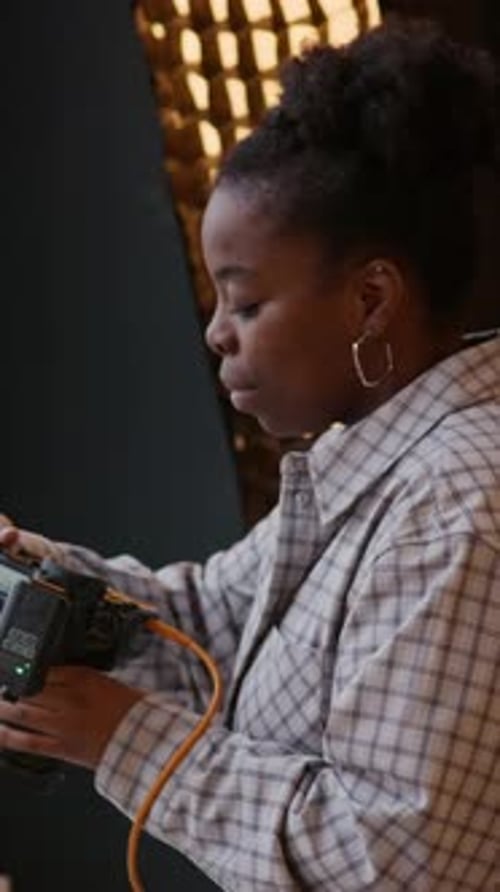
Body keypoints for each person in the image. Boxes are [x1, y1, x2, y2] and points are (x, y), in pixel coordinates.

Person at [0, 19, 499, 891]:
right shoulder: (374, 461)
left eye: (245, 301)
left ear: (370, 298)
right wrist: (42, 578)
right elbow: (215, 621)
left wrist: (123, 738)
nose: (216, 334)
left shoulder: (458, 506)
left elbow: (391, 868)